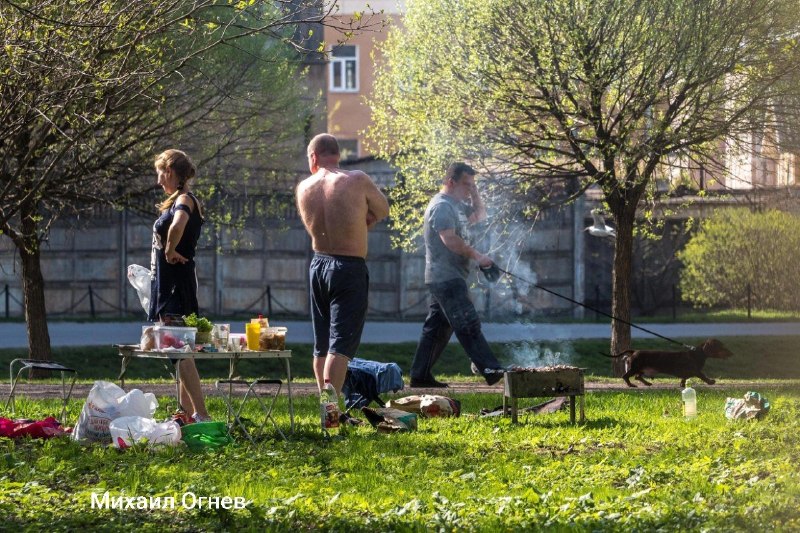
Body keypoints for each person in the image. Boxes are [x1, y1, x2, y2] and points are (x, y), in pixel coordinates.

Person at [296, 134, 390, 397]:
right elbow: (383, 209)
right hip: (349, 266)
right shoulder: (357, 180)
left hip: (318, 265)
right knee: (340, 346)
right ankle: (331, 411)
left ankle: (326, 407)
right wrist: (365, 219)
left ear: (313, 157)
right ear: (337, 154)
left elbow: (311, 223)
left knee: (322, 345)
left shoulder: (303, 187)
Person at [409, 162, 505, 388]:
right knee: (467, 322)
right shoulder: (442, 206)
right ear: (451, 183)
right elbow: (450, 240)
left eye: (472, 185)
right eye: (466, 184)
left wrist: (475, 192)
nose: (469, 189)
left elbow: (480, 214)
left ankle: (420, 375)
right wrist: (479, 256)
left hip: (449, 276)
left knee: (436, 330)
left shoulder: (457, 206)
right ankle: (490, 368)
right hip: (445, 277)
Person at [148, 149, 211, 422]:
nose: (159, 181)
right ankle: (185, 414)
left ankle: (202, 414)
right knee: (181, 351)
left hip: (175, 287)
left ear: (170, 171)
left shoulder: (184, 200)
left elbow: (178, 225)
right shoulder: (179, 200)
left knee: (179, 351)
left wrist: (169, 249)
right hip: (170, 285)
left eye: (160, 174)